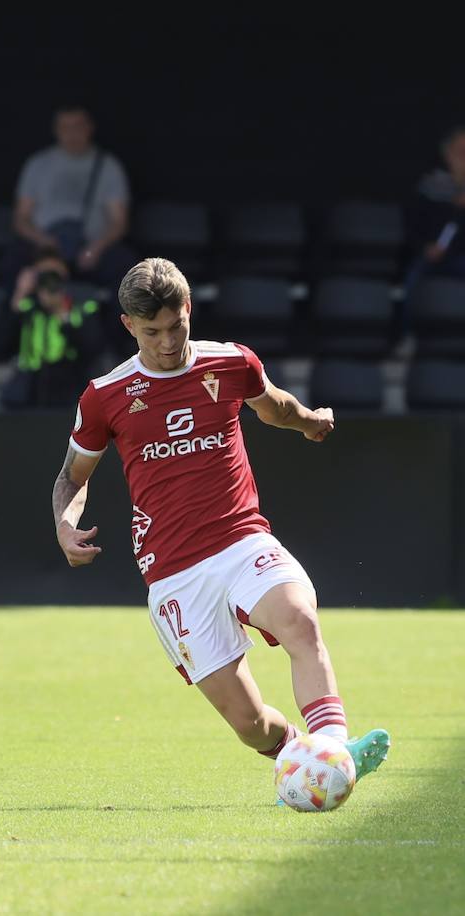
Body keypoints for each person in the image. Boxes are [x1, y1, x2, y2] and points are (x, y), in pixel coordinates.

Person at [51, 257, 390, 799]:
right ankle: (297, 755)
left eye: (175, 326)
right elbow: (71, 477)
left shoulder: (230, 363)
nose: (166, 342)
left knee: (300, 621)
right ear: (128, 326)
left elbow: (274, 407)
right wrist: (66, 525)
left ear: (189, 309)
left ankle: (333, 751)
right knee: (250, 724)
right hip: (174, 573)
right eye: (152, 332)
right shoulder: (105, 395)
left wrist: (309, 421)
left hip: (241, 539)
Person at [7, 105, 133, 293]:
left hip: (92, 245)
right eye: (65, 127)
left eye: (77, 126)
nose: (72, 133)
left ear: (89, 128)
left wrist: (96, 248)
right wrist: (43, 242)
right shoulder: (38, 164)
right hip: (44, 244)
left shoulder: (108, 166)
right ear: (56, 130)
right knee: (13, 261)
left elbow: (118, 221)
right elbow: (21, 218)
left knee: (128, 270)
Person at [3, 248, 105, 407]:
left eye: (56, 276)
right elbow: (2, 345)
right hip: (29, 387)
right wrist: (20, 292)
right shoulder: (26, 307)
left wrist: (63, 315)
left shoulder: (83, 305)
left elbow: (93, 351)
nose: (51, 283)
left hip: (70, 385)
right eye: (44, 276)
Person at [405, 126, 465, 297]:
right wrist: (425, 247)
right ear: (447, 153)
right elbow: (414, 225)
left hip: (461, 256)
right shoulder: (430, 186)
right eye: (460, 151)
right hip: (431, 255)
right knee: (411, 280)